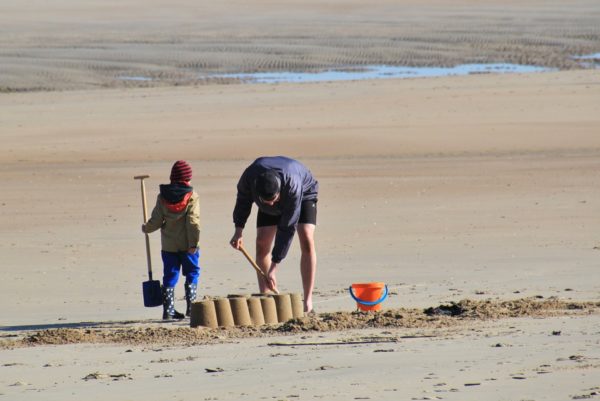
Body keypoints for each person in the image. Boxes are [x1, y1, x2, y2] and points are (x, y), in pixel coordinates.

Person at [229, 156, 319, 313]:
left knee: (306, 239)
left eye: (273, 199)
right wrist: (238, 230)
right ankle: (267, 298)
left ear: (279, 192)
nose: (270, 203)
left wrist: (274, 266)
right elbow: (243, 200)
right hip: (271, 191)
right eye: (266, 201)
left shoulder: (292, 186)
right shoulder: (250, 177)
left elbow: (287, 227)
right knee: (262, 242)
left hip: (304, 194)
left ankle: (308, 302)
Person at [142, 160, 201, 320]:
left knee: (170, 275)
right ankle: (192, 308)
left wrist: (146, 228)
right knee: (192, 273)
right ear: (187, 179)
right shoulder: (192, 196)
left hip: (169, 246)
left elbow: (156, 220)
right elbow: (193, 221)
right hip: (188, 245)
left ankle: (168, 310)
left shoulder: (162, 197)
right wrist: (193, 243)